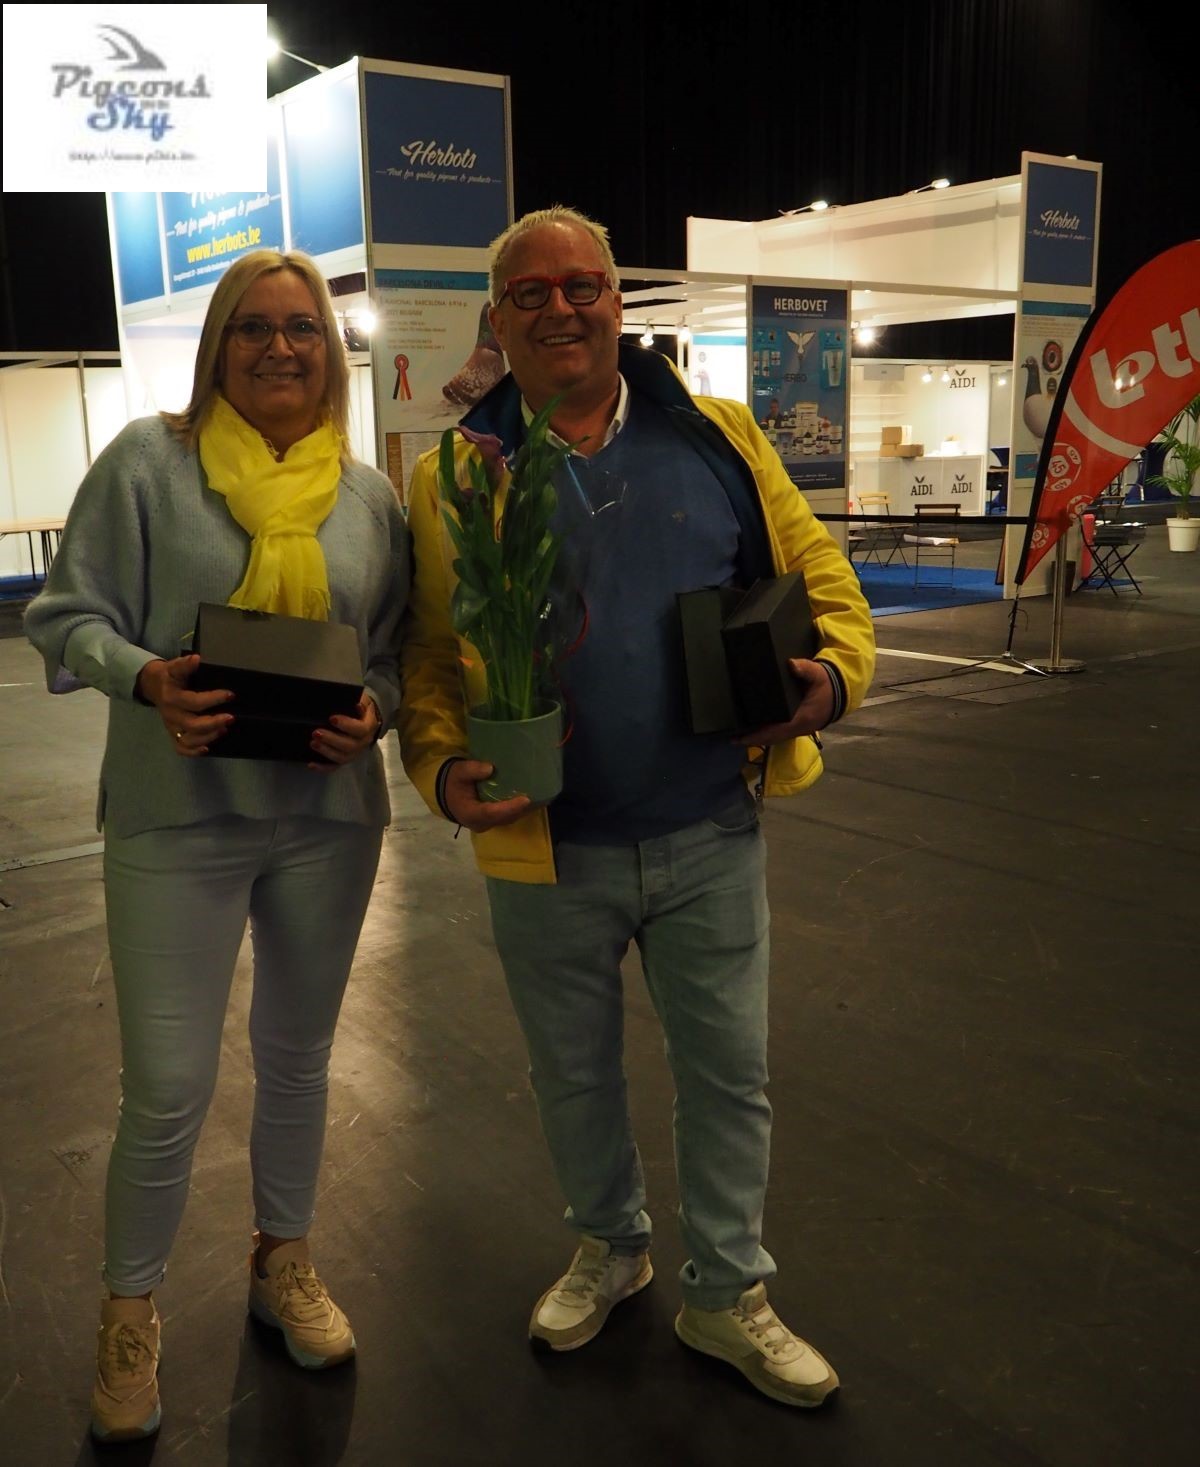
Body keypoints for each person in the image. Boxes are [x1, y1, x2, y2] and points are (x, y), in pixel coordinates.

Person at [398, 206, 875, 1408]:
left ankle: (727, 1292)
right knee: (573, 1077)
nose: (562, 308)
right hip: (545, 846)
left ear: (619, 303)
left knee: (729, 1076)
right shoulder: (457, 475)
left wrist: (830, 679)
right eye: (532, 293)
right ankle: (611, 1247)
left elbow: (819, 572)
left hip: (711, 826)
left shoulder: (717, 436)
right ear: (498, 321)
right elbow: (434, 657)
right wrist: (443, 772)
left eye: (585, 286)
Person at [25, 249, 410, 1443]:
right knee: (168, 1088)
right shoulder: (150, 465)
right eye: (254, 328)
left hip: (326, 823)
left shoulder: (368, 500)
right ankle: (129, 1310)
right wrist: (149, 680)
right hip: (176, 817)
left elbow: (393, 658)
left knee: (298, 1061)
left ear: (328, 350)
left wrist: (375, 713)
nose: (280, 347)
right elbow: (64, 614)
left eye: (301, 328)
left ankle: (281, 1259)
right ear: (217, 348)